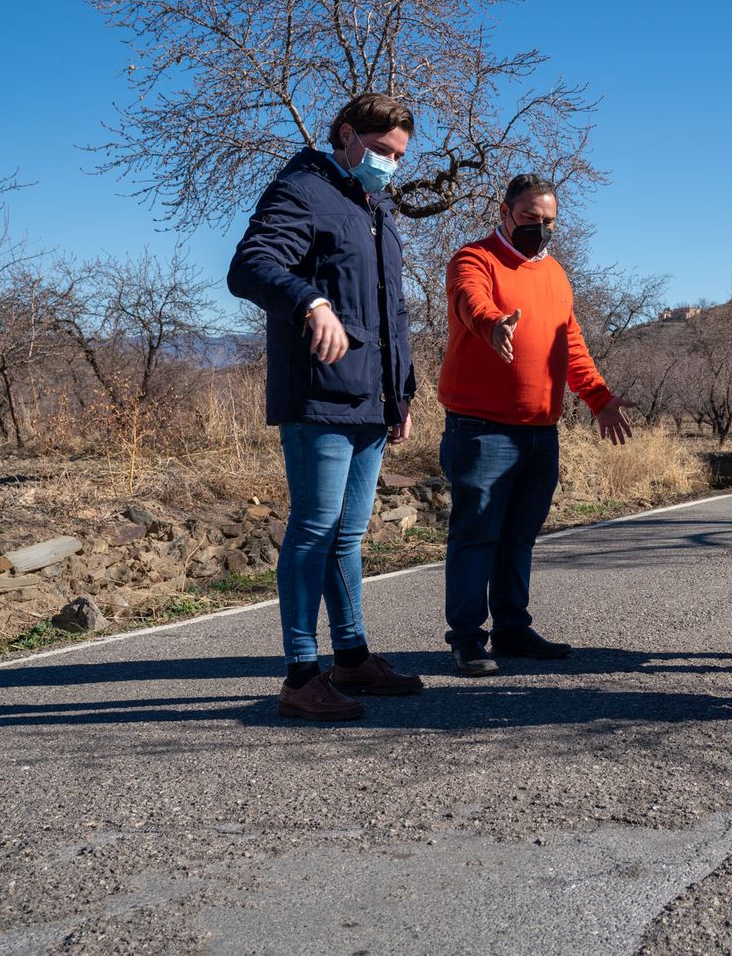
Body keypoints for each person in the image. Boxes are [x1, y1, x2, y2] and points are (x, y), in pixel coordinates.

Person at [227, 92, 425, 721]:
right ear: (346, 136)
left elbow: (390, 313)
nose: (390, 164)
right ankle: (299, 673)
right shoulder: (303, 190)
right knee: (314, 529)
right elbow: (250, 265)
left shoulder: (375, 206)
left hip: (370, 399)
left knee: (348, 534)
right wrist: (310, 302)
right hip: (319, 395)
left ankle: (352, 657)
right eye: (381, 151)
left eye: (398, 156)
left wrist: (402, 394)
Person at [437, 174, 635, 676]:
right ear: (504, 213)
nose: (540, 230)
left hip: (540, 431)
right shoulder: (474, 258)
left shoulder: (556, 275)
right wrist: (490, 324)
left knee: (519, 536)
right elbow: (470, 299)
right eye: (530, 220)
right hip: (480, 429)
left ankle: (511, 630)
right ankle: (465, 639)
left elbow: (570, 345)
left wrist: (599, 398)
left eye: (548, 222)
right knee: (475, 534)